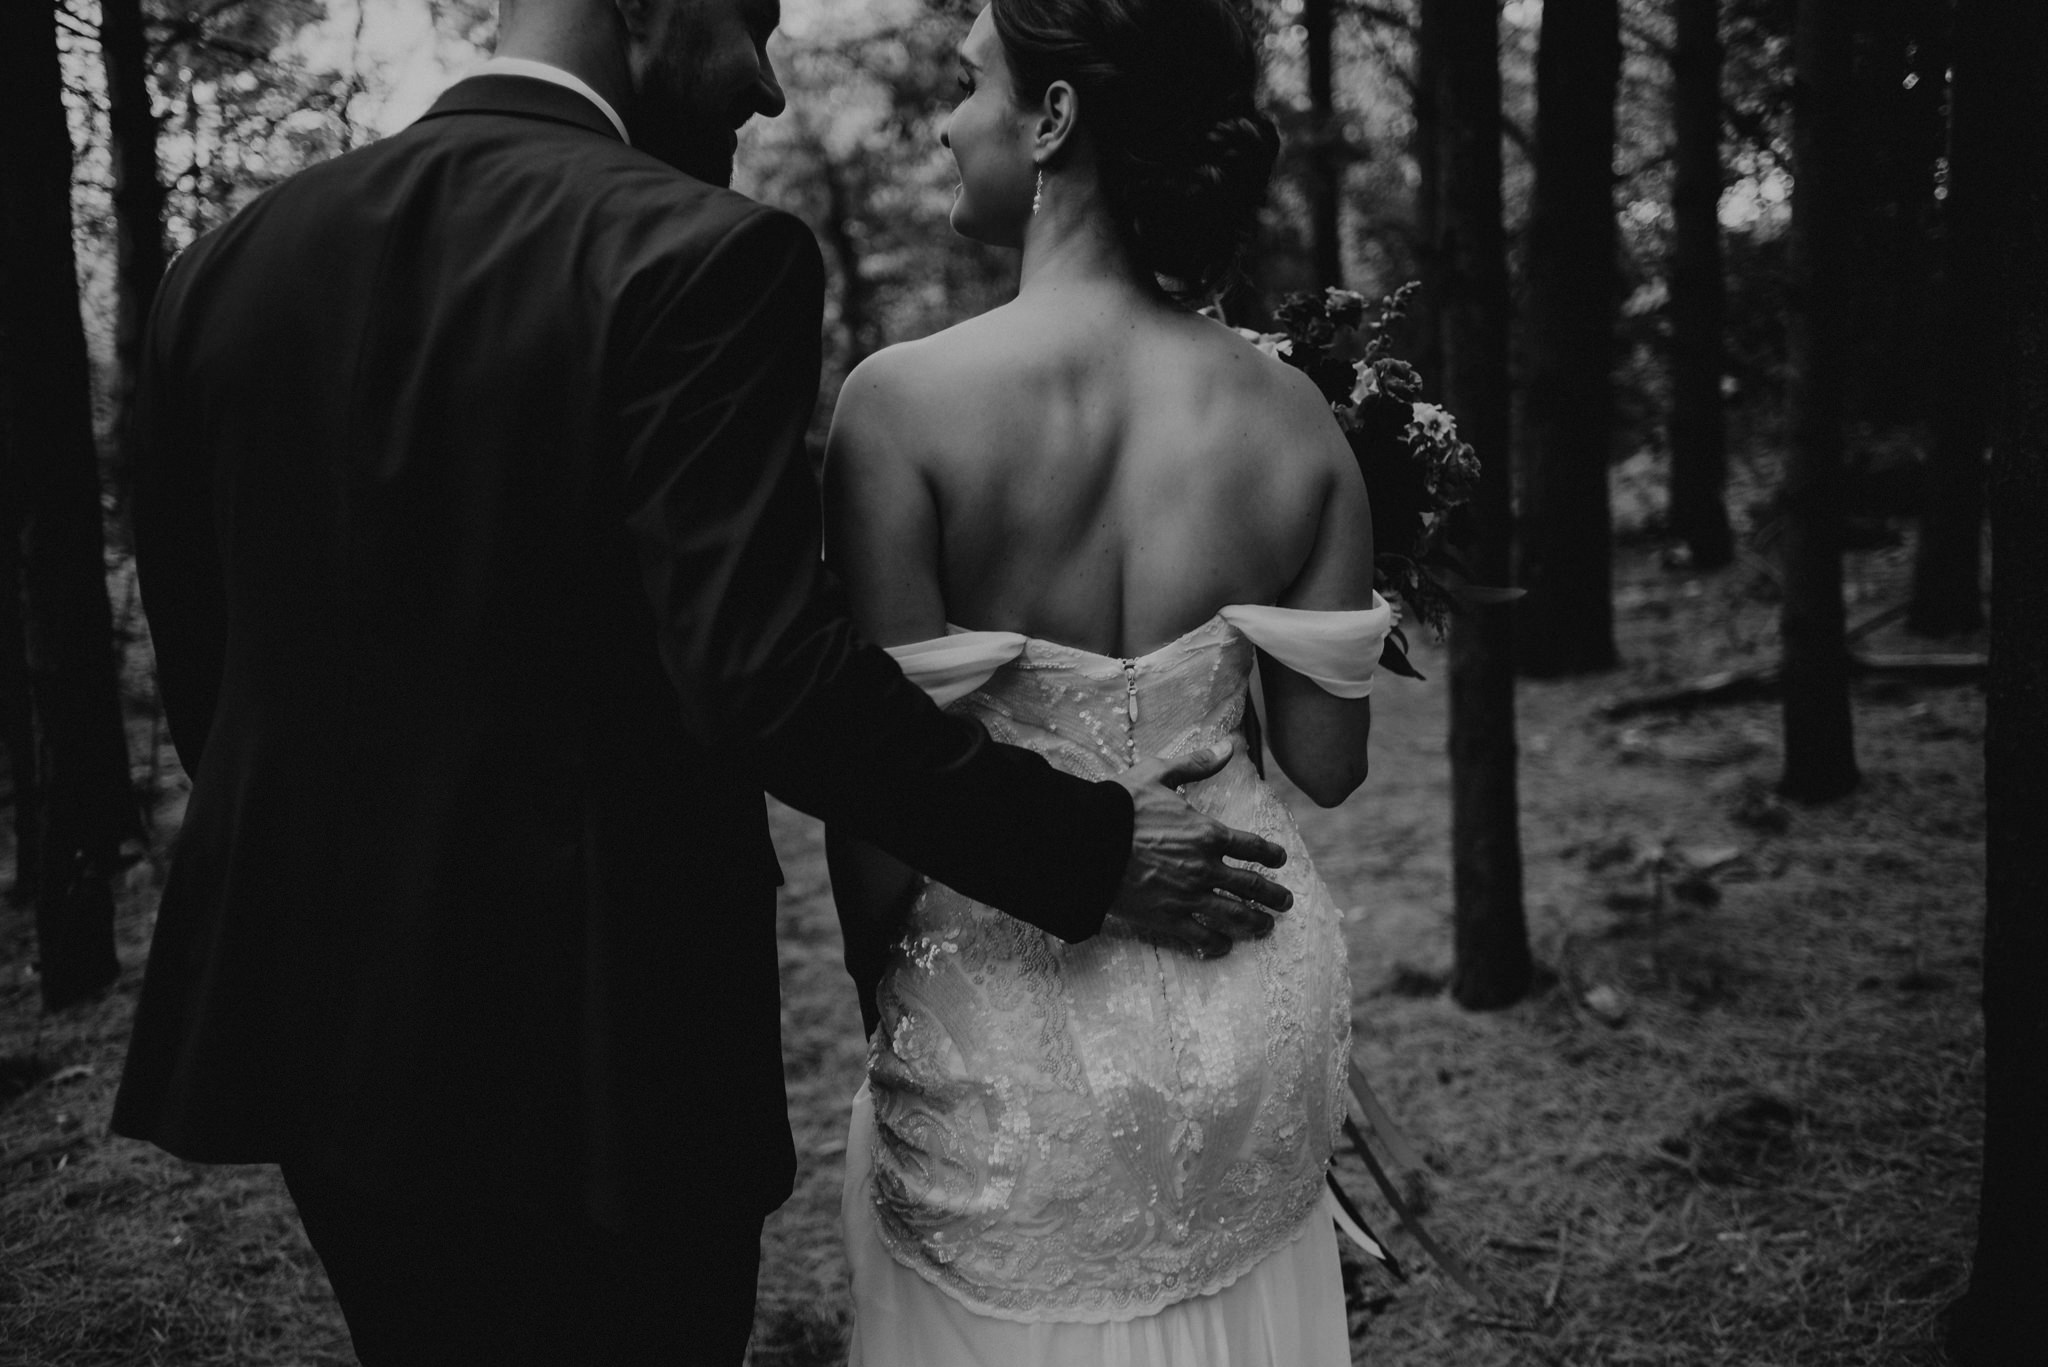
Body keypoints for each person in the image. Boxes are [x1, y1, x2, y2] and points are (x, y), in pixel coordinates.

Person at [109, 1, 1299, 1363]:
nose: (768, 90)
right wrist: (1090, 849)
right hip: (611, 1048)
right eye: (753, 24)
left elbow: (209, 676)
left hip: (327, 1025)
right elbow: (765, 674)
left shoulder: (227, 264)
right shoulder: (696, 254)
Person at [823, 1, 1391, 1363]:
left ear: (1058, 117)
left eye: (968, 87)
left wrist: (885, 1016)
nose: (950, 124)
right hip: (1252, 1006)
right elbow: (1326, 758)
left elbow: (882, 805)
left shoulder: (899, 409)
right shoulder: (1297, 416)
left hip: (1006, 1042)